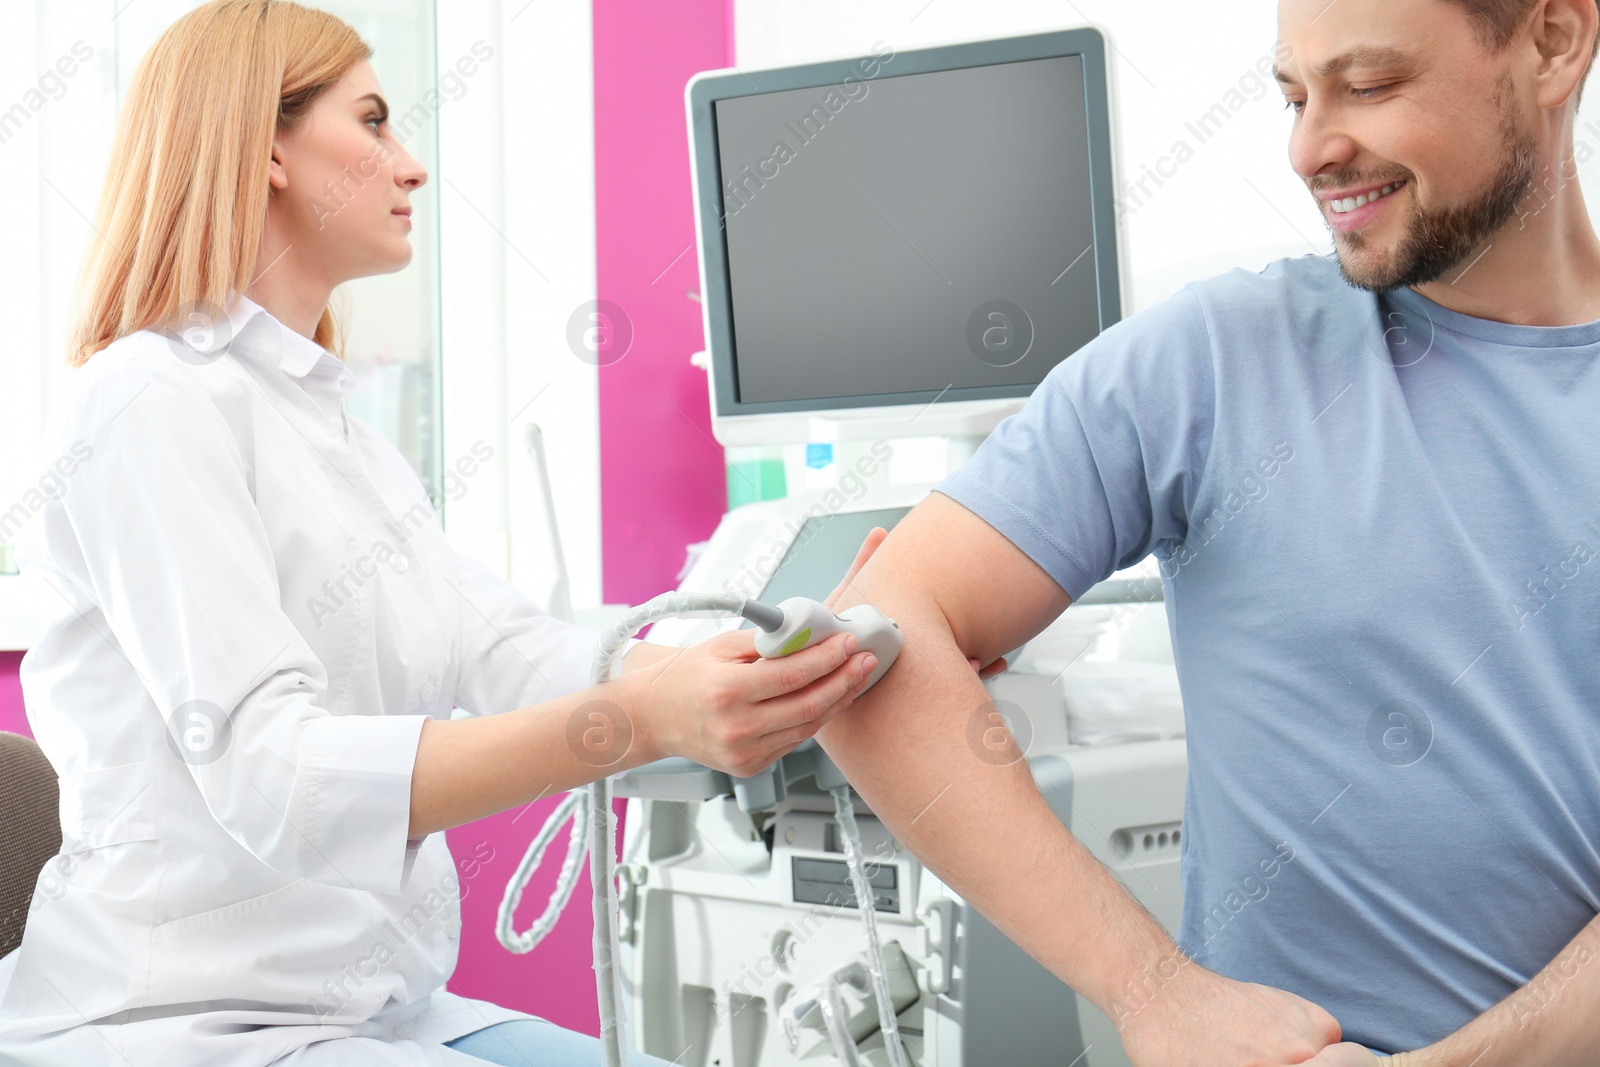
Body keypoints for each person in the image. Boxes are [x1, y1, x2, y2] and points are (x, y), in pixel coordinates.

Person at [0, 2, 891, 1064]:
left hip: (378, 1007)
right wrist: (636, 721)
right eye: (372, 121)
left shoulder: (340, 435)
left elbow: (514, 649)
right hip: (178, 1021)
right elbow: (277, 778)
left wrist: (771, 659)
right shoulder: (146, 401)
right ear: (264, 146)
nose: (409, 165)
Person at [814, 0, 1600, 1064]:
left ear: (1552, 41)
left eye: (1367, 85)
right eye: (1293, 94)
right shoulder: (1213, 361)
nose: (1309, 148)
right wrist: (1150, 991)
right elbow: (865, 642)